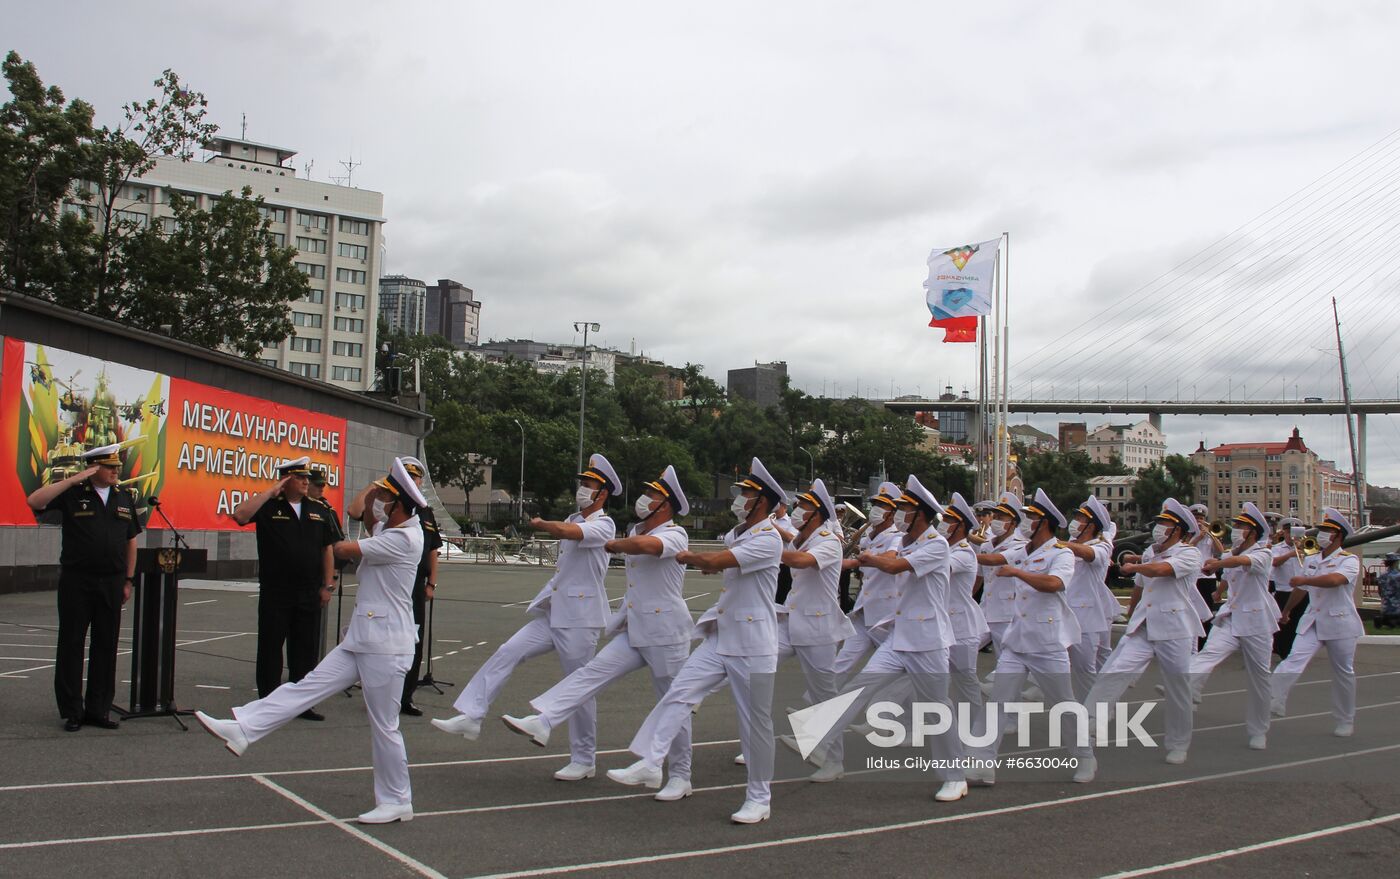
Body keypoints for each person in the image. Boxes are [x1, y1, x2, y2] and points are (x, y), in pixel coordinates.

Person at [196, 458, 428, 824]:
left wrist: (317, 522)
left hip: (386, 644)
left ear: (400, 506)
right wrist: (372, 493)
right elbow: (367, 518)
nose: (381, 503)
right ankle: (244, 728)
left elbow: (342, 550)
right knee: (307, 686)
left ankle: (398, 800)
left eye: (388, 498)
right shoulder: (392, 525)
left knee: (385, 725)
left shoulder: (405, 538)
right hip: (364, 638)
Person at [608, 457, 784, 825]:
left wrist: (689, 556)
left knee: (755, 724)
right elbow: (725, 560)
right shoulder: (740, 533)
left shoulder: (768, 538)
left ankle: (759, 798)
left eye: (746, 494)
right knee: (678, 693)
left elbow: (718, 560)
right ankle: (651, 760)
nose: (739, 499)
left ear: (762, 502)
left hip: (754, 642)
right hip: (722, 635)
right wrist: (711, 560)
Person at [502, 466, 694, 801]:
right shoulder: (636, 527)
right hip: (634, 627)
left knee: (673, 703)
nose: (645, 499)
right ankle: (545, 720)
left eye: (653, 496)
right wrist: (621, 540)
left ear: (666, 506)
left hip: (666, 633)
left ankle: (679, 775)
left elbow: (647, 546)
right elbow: (635, 541)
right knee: (592, 672)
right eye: (647, 492)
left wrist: (619, 542)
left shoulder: (675, 534)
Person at [433, 454, 620, 782]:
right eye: (582, 483)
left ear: (602, 493)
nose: (582, 489)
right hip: (555, 611)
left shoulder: (604, 524)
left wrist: (543, 525)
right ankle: (472, 715)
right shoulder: (576, 515)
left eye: (588, 485)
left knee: (578, 688)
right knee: (509, 650)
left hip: (580, 619)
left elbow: (568, 532)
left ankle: (584, 758)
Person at [809, 474, 970, 803]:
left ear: (921, 514)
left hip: (929, 641)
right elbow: (894, 560)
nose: (898, 515)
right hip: (900, 635)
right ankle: (817, 740)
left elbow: (896, 567)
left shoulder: (936, 544)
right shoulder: (910, 542)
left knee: (937, 709)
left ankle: (955, 776)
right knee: (859, 686)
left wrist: (868, 558)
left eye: (905, 509)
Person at [968, 488, 1092, 786]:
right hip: (1018, 639)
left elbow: (1054, 584)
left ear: (1044, 523)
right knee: (997, 700)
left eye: (1031, 517)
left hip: (1047, 642)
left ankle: (1085, 756)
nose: (1025, 521)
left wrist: (1019, 574)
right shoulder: (1022, 550)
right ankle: (982, 763)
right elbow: (992, 558)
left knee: (1063, 703)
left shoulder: (1061, 553)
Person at [26, 444, 141, 732]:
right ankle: (72, 711)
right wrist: (73, 479)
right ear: (93, 468)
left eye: (117, 466)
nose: (116, 471)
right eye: (109, 466)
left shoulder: (123, 497)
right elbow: (35, 501)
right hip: (78, 580)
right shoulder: (73, 494)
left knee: (106, 645)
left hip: (112, 582)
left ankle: (98, 709)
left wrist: (128, 580)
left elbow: (131, 541)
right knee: (72, 643)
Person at [1085, 498, 1203, 766]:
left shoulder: (1189, 553)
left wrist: (1134, 565)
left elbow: (1162, 571)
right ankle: (1091, 725)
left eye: (1165, 524)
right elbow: (1140, 586)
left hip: (1174, 629)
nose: (1159, 528)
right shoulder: (1151, 551)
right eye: (1159, 522)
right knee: (1114, 672)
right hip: (1144, 626)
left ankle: (1178, 744)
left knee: (1177, 689)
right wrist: (1132, 612)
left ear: (1179, 530)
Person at [232, 456, 337, 720]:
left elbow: (327, 549)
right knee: (270, 647)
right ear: (287, 480)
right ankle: (268, 702)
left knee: (305, 649)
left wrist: (328, 584)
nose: (305, 482)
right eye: (300, 478)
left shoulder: (318, 509)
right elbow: (240, 515)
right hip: (276, 590)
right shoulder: (269, 507)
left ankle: (301, 703)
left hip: (309, 590)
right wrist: (270, 491)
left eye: (306, 479)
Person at [347, 457, 442, 717]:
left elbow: (433, 549)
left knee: (413, 642)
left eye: (416, 478)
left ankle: (405, 696)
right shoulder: (388, 506)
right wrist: (376, 486)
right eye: (407, 478)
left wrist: (432, 582)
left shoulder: (425, 512)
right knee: (382, 642)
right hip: (388, 586)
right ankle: (381, 692)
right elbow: (354, 511)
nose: (413, 482)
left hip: (415, 585)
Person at [774, 478, 856, 782]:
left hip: (818, 628)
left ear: (818, 513)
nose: (797, 509)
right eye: (798, 504)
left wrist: (765, 548)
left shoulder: (828, 541)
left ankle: (834, 760)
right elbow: (792, 548)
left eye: (804, 506)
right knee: (753, 662)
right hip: (791, 622)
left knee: (825, 697)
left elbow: (801, 561)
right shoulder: (803, 537)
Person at [1188, 502, 1277, 749]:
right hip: (1231, 616)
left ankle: (1259, 730)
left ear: (1254, 531)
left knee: (1259, 678)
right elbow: (1227, 575)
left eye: (1240, 526)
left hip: (1257, 620)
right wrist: (1217, 590)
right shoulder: (1229, 554)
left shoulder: (1263, 553)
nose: (1235, 529)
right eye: (1235, 525)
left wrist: (1217, 564)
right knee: (1210, 652)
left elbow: (1242, 562)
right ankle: (1185, 682)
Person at [1270, 507, 1365, 737]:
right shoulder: (1311, 559)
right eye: (1321, 529)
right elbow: (1301, 589)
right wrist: (1287, 611)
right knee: (1293, 659)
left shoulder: (1349, 560)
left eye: (1327, 531)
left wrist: (1306, 579)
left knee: (1343, 673)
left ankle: (1345, 719)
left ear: (1338, 536)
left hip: (1340, 622)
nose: (1321, 534)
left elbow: (1335, 580)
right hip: (1312, 619)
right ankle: (1275, 698)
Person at [834, 482, 904, 679]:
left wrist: (855, 562)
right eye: (875, 504)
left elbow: (890, 559)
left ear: (892, 513)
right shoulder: (869, 535)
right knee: (842, 661)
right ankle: (815, 705)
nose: (876, 510)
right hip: (865, 609)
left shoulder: (897, 536)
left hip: (886, 615)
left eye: (882, 506)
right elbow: (861, 553)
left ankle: (922, 704)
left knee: (897, 671)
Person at [1063, 496, 1113, 702]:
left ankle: (1095, 716)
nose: (1075, 521)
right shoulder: (1070, 545)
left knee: (1084, 671)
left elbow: (1089, 554)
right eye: (1076, 516)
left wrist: (1061, 544)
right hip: (1063, 614)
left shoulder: (1101, 546)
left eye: (1080, 518)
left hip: (1086, 618)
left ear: (1091, 526)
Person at [1271, 518, 1308, 658]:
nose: (1292, 536)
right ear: (1284, 533)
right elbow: (1274, 563)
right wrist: (1290, 554)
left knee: (1300, 622)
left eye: (1295, 532)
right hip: (1284, 591)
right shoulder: (1277, 549)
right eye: (1288, 532)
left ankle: (1296, 650)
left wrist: (1301, 550)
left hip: (1302, 591)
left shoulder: (1307, 547)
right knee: (1283, 623)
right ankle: (1282, 650)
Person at [1377, 554, 1400, 629]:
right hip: (1397, 608)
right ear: (1395, 562)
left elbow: (1380, 591)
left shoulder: (1382, 575)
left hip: (1385, 608)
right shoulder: (1398, 575)